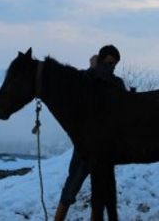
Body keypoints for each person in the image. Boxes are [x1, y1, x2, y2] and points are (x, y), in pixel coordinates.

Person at [54, 45, 126, 221]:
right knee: (71, 187)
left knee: (100, 191)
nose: (112, 67)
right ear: (101, 60)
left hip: (105, 148)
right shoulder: (87, 77)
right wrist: (93, 69)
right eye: (109, 63)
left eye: (114, 64)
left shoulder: (116, 83)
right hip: (85, 146)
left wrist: (96, 68)